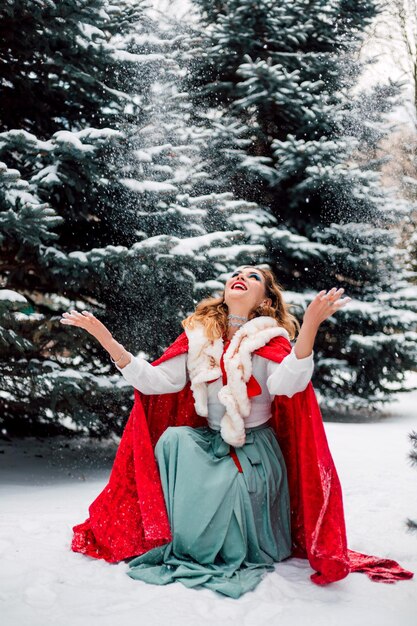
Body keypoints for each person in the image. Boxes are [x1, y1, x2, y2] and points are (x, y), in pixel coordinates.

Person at [62, 266, 413, 597]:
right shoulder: (198, 339)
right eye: (236, 274)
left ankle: (228, 539)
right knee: (173, 440)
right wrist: (105, 338)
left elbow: (290, 382)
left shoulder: (270, 341)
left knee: (232, 485)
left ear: (265, 299)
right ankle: (187, 539)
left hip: (254, 448)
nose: (240, 277)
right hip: (210, 442)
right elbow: (155, 383)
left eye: (253, 276)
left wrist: (309, 327)